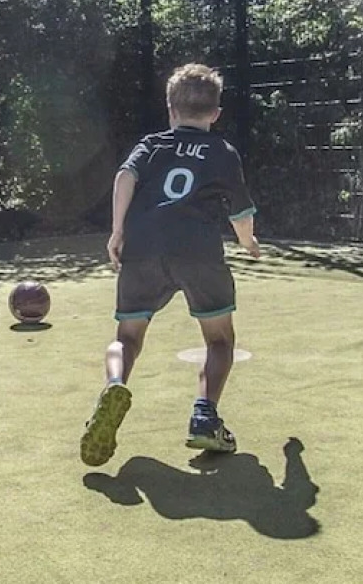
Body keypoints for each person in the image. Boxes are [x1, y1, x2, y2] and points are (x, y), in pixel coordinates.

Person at [81, 63, 260, 468]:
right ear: (215, 113)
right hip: (197, 249)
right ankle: (204, 416)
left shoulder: (153, 144)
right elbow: (241, 211)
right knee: (219, 340)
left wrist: (117, 231)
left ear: (170, 109)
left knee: (127, 336)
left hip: (143, 244)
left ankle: (114, 385)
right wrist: (247, 242)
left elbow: (125, 176)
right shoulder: (222, 152)